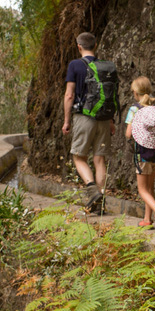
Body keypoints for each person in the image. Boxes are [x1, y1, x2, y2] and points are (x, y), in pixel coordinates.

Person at [62, 32, 115, 214]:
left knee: (79, 157)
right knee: (99, 160)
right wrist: (111, 121)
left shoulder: (75, 65)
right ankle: (100, 203)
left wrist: (67, 121)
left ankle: (92, 190)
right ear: (96, 45)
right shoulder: (103, 66)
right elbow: (109, 95)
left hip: (83, 117)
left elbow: (69, 95)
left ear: (79, 47)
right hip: (104, 119)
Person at [125, 77, 155, 234]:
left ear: (136, 93)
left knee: (142, 190)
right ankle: (147, 219)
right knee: (150, 187)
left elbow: (128, 134)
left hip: (143, 154)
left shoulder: (135, 109)